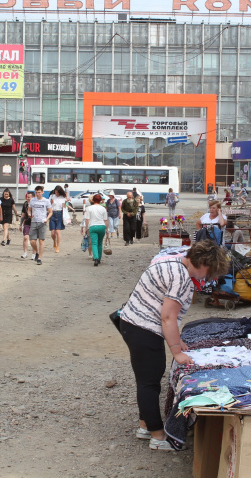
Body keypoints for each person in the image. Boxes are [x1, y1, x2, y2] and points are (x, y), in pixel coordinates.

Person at [119, 240, 229, 451]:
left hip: (133, 322)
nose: (207, 278)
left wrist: (177, 340)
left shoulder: (173, 262)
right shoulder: (182, 278)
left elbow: (166, 313)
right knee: (149, 382)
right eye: (209, 272)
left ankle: (145, 425)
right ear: (203, 263)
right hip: (143, 327)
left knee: (148, 378)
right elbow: (168, 317)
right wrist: (176, 351)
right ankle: (158, 436)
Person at [28, 185, 52, 265]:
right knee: (32, 241)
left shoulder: (46, 201)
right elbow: (29, 209)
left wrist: (47, 219)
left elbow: (50, 212)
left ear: (42, 192)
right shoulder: (32, 200)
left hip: (42, 222)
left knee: (41, 240)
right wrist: (29, 214)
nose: (37, 194)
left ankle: (39, 258)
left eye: (39, 192)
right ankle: (37, 252)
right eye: (36, 192)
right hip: (34, 221)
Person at [82, 193, 108, 266]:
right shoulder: (103, 209)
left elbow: (87, 219)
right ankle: (99, 258)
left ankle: (95, 258)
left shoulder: (89, 208)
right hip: (102, 226)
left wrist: (86, 228)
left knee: (94, 243)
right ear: (100, 200)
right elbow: (105, 220)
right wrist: (107, 229)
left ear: (93, 200)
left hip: (93, 226)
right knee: (100, 243)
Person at [49, 185, 68, 253]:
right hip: (52, 213)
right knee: (52, 233)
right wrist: (51, 202)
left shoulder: (63, 197)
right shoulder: (52, 196)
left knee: (57, 232)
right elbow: (49, 205)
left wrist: (66, 202)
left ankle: (58, 246)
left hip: (60, 213)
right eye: (55, 192)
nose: (56, 193)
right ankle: (54, 241)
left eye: (57, 192)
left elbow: (64, 207)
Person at [20, 192, 37, 260]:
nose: (28, 198)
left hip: (35, 223)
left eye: (29, 197)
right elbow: (23, 214)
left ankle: (34, 253)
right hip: (27, 222)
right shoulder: (25, 204)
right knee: (26, 237)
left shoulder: (36, 204)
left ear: (33, 197)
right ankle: (25, 252)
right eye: (27, 197)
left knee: (33, 240)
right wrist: (20, 224)